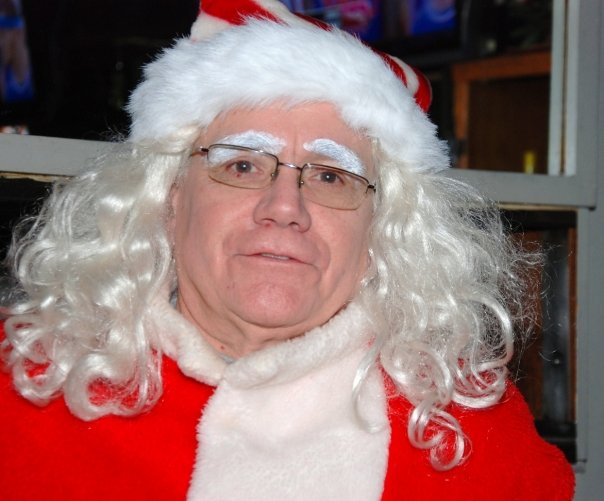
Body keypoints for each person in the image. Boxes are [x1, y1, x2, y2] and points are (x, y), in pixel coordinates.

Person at [0, 0, 574, 499]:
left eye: (330, 176)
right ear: (169, 199)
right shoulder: (25, 384)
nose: (284, 207)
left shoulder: (472, 431)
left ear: (382, 229)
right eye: (242, 165)